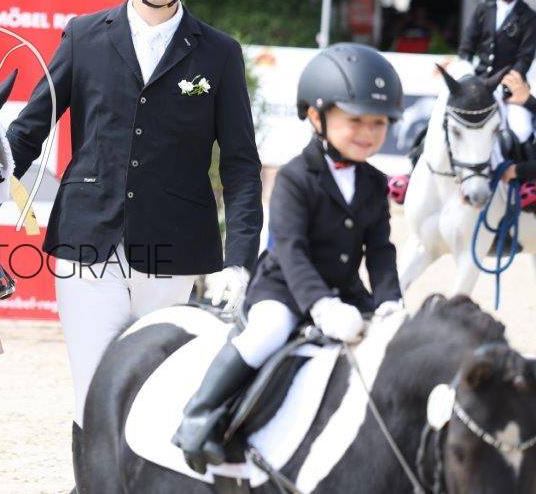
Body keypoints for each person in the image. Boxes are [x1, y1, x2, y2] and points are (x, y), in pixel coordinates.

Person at [3, 0, 264, 477]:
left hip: (174, 246)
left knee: (156, 384)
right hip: (87, 238)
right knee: (95, 385)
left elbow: (242, 165)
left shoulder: (220, 54)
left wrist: (240, 260)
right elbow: (29, 130)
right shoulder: (84, 36)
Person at [172, 43, 404, 473]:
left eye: (378, 122)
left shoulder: (375, 182)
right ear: (316, 116)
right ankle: (199, 417)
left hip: (345, 292)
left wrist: (390, 300)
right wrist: (322, 306)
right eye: (355, 120)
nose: (368, 132)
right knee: (266, 333)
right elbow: (291, 250)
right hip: (284, 289)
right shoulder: (296, 177)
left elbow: (381, 250)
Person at [456, 0, 536, 145]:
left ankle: (519, 165)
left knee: (521, 129)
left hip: (509, 89)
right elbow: (467, 47)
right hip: (478, 83)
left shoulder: (529, 18)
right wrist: (466, 72)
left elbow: (524, 57)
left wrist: (505, 84)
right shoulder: (483, 9)